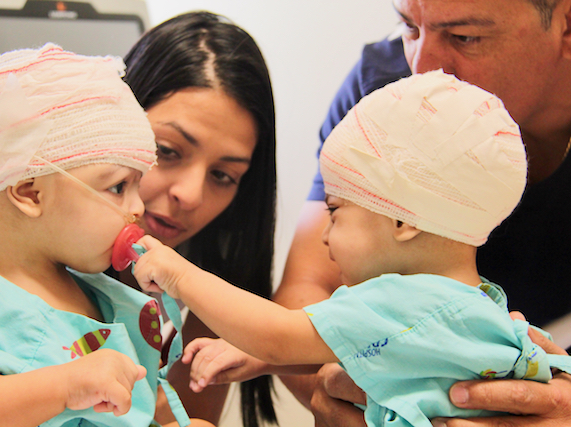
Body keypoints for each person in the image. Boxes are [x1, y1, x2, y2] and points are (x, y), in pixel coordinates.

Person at [130, 70, 571, 426]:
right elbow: (370, 354)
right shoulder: (473, 306)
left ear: (402, 222)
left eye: (336, 211)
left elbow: (281, 335)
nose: (324, 235)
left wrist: (177, 273)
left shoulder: (404, 300)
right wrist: (264, 361)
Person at [0, 12, 277, 427]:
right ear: (28, 191)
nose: (136, 208)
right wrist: (63, 388)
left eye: (223, 175)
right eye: (118, 185)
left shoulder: (113, 302)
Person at [272, 0, 571, 425]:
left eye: (466, 37)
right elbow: (305, 290)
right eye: (408, 26)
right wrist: (346, 393)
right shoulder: (384, 100)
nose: (422, 67)